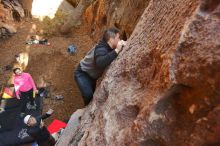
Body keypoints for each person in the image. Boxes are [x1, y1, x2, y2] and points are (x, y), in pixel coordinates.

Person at [74, 27, 126, 105]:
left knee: (92, 98)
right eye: (118, 38)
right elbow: (100, 63)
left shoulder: (109, 47)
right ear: (111, 39)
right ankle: (85, 113)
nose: (119, 40)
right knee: (88, 96)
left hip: (92, 77)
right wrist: (117, 50)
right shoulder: (101, 48)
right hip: (82, 74)